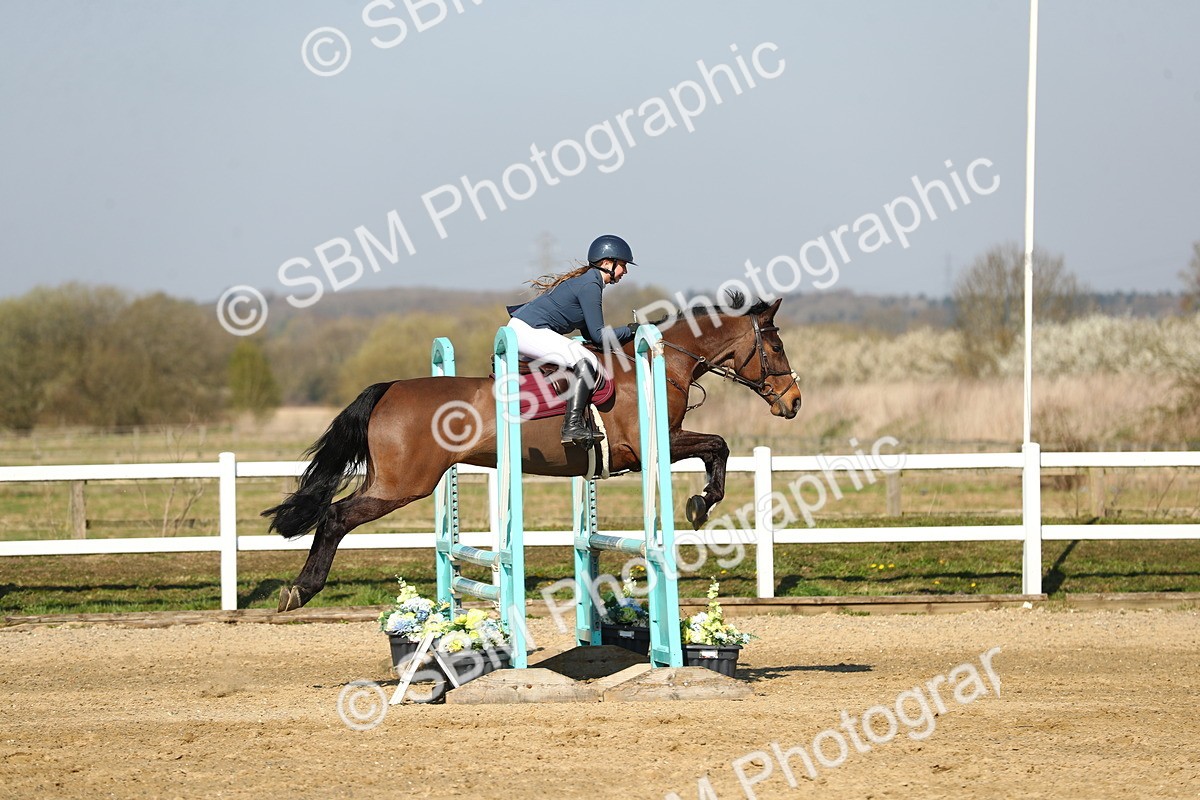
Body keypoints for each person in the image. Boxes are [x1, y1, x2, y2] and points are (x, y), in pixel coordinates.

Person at [506, 234, 640, 447]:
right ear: (607, 263)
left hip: (525, 329)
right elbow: (599, 336)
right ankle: (572, 426)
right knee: (588, 362)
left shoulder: (589, 281)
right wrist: (632, 330)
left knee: (584, 355)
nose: (625, 271)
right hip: (528, 331)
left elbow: (589, 334)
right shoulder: (590, 285)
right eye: (623, 265)